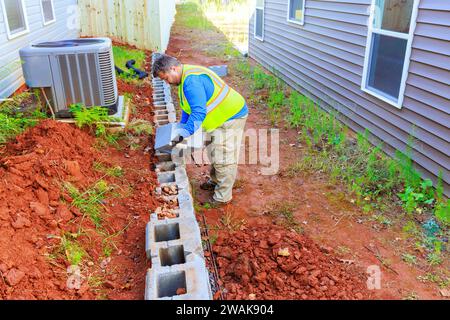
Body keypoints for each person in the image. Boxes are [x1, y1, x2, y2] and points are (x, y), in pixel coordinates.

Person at [152, 54, 248, 206]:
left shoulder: (191, 82)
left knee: (223, 158)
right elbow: (187, 107)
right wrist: (181, 127)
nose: (167, 82)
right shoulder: (185, 76)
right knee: (213, 151)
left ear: (173, 68)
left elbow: (198, 113)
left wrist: (181, 136)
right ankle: (216, 181)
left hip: (230, 116)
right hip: (218, 117)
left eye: (165, 78)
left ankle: (222, 197)